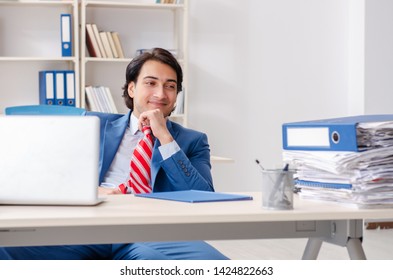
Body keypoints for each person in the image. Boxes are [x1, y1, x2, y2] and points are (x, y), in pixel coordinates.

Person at [0, 48, 228, 260]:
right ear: (131, 88)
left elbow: (203, 196)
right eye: (150, 83)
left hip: (153, 232)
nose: (160, 93)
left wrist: (165, 138)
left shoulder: (193, 140)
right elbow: (49, 176)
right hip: (88, 226)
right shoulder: (92, 124)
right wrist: (91, 190)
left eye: (170, 86)